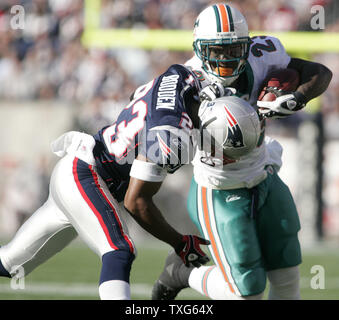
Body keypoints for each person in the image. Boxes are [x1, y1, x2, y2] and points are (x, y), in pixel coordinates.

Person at [152, 3, 332, 300]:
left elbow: (319, 73)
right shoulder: (185, 82)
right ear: (200, 49)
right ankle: (183, 273)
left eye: (233, 49)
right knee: (245, 292)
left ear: (247, 46)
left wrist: (297, 97)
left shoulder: (264, 56)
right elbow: (155, 118)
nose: (225, 58)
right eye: (216, 50)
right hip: (218, 188)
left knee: (287, 277)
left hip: (263, 175)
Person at [0, 65, 214, 299]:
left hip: (79, 170)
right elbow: (136, 203)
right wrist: (179, 242)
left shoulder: (173, 84)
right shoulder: (168, 128)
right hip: (85, 173)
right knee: (118, 250)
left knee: (10, 263)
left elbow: (139, 97)